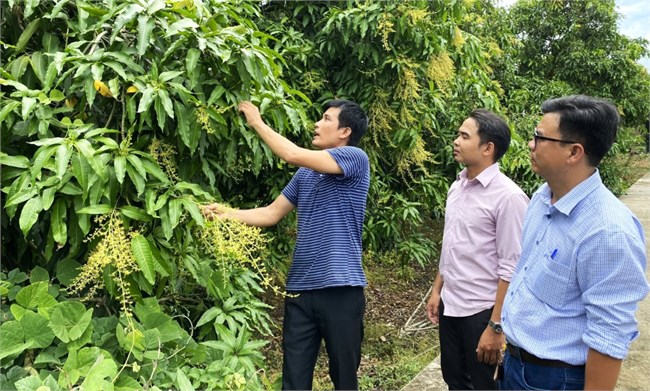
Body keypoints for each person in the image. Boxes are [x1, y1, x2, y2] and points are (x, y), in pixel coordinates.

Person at [202, 99, 370, 390]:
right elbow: (271, 213)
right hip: (299, 292)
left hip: (340, 289)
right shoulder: (305, 175)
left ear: (345, 131)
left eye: (326, 119)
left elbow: (291, 153)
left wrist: (256, 121)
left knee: (344, 378)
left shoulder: (355, 158)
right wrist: (224, 214)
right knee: (293, 379)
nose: (317, 124)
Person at [500, 95, 650, 390]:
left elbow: (609, 333)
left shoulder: (607, 231)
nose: (530, 144)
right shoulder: (542, 198)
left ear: (574, 152)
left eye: (539, 137)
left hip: (555, 379)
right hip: (516, 364)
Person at [425, 109, 529, 390]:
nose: (456, 141)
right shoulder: (457, 186)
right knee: (454, 380)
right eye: (458, 134)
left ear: (488, 148)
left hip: (481, 310)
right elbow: (452, 246)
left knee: (483, 385)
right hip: (451, 304)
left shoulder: (508, 197)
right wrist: (437, 291)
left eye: (464, 136)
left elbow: (513, 266)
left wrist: (496, 326)